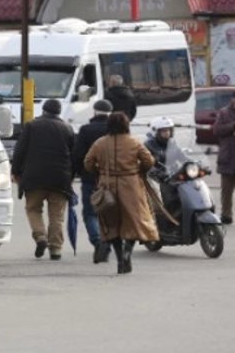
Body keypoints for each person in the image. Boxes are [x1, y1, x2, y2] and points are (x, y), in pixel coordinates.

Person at [84, 112, 159, 274]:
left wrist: (100, 172)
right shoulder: (134, 142)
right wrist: (138, 171)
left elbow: (88, 163)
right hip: (131, 186)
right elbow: (149, 161)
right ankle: (127, 252)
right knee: (132, 222)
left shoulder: (100, 143)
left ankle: (119, 258)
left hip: (107, 187)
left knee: (112, 224)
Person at [12, 99, 76, 260]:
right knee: (56, 215)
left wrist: (15, 171)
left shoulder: (31, 126)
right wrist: (71, 177)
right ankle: (55, 249)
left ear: (44, 110)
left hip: (34, 177)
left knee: (33, 209)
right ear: (59, 112)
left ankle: (40, 237)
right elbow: (73, 156)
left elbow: (20, 151)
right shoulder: (67, 129)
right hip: (60, 179)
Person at [73, 99, 113, 263]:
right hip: (114, 178)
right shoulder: (116, 131)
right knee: (111, 213)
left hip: (90, 178)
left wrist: (74, 173)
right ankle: (111, 241)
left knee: (90, 212)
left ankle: (98, 241)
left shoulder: (86, 130)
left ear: (94, 112)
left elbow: (78, 154)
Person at [213, 93, 235, 225]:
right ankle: (226, 215)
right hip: (228, 156)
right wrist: (232, 125)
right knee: (226, 191)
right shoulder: (224, 113)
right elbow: (216, 130)